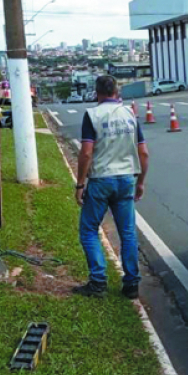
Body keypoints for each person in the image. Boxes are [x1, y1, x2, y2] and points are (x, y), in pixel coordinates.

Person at [73, 76, 150, 299]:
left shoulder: (92, 115)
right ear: (117, 92)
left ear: (97, 93)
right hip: (126, 179)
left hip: (101, 180)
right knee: (127, 233)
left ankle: (98, 282)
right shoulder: (130, 115)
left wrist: (80, 184)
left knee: (88, 231)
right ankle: (131, 284)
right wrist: (141, 182)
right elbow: (144, 152)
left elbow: (86, 152)